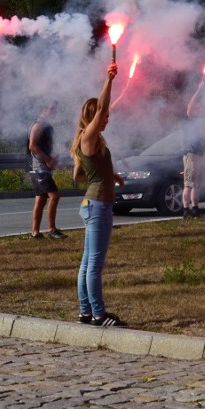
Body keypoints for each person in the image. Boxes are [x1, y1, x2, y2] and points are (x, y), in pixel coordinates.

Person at [71, 62, 126, 327]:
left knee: (86, 262)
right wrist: (109, 78)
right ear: (95, 116)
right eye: (104, 117)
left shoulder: (89, 142)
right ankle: (98, 314)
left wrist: (109, 176)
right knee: (94, 265)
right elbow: (103, 107)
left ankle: (85, 312)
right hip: (98, 206)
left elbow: (78, 176)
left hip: (91, 204)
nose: (107, 119)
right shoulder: (88, 138)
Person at [27, 102, 66, 239]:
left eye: (55, 109)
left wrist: (54, 158)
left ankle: (35, 233)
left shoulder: (47, 126)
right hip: (39, 168)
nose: (54, 111)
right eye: (51, 109)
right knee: (54, 196)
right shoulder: (38, 125)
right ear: (43, 108)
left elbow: (46, 146)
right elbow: (33, 145)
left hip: (42, 167)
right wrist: (47, 160)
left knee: (41, 199)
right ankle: (52, 229)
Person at [181, 79, 205, 219]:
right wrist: (199, 90)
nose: (201, 109)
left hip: (200, 155)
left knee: (197, 184)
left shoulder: (201, 122)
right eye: (199, 107)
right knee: (189, 183)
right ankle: (186, 211)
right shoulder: (190, 118)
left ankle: (195, 210)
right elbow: (190, 105)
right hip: (191, 154)